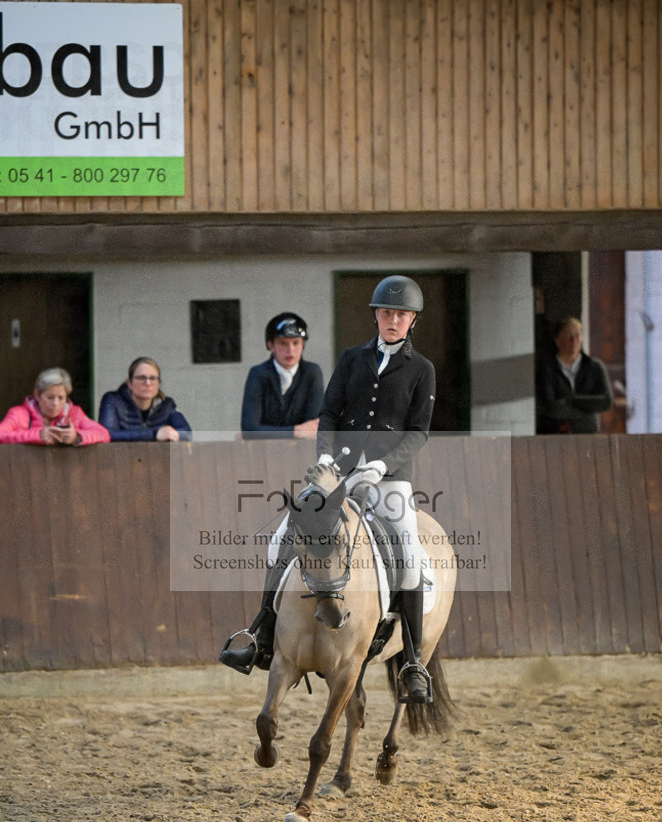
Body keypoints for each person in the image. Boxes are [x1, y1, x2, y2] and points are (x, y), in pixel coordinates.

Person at [220, 276, 437, 706]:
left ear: (412, 320)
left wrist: (382, 465)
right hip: (336, 472)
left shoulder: (422, 369)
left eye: (401, 314)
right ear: (376, 315)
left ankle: (412, 661)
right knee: (285, 534)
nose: (393, 320)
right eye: (386, 312)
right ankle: (262, 632)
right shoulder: (352, 358)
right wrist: (325, 459)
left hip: (390, 478)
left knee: (408, 552)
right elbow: (330, 412)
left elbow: (419, 433)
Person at [240, 312, 324, 438]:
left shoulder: (312, 372)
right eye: (283, 343)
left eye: (296, 343)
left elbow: (313, 429)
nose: (290, 350)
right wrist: (296, 431)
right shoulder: (258, 373)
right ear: (271, 345)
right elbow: (249, 430)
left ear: (303, 345)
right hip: (264, 451)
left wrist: (266, 432)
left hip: (303, 450)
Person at [536, 317, 613, 434]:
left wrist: (570, 400)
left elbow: (606, 401)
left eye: (577, 335)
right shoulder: (547, 368)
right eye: (568, 335)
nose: (573, 340)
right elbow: (549, 406)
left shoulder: (594, 367)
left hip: (588, 433)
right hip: (555, 434)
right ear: (557, 340)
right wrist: (588, 408)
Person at [0, 367, 110, 446]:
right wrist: (37, 435)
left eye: (61, 398)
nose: (55, 403)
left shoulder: (74, 413)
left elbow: (104, 434)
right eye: (50, 397)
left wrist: (76, 437)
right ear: (37, 395)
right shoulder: (19, 414)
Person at [98, 357, 191, 441]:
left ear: (159, 384)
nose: (148, 383)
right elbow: (107, 434)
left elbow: (187, 433)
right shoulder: (113, 400)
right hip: (121, 457)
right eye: (141, 378)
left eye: (153, 378)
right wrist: (154, 434)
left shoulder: (167, 404)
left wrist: (171, 434)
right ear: (129, 383)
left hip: (156, 457)